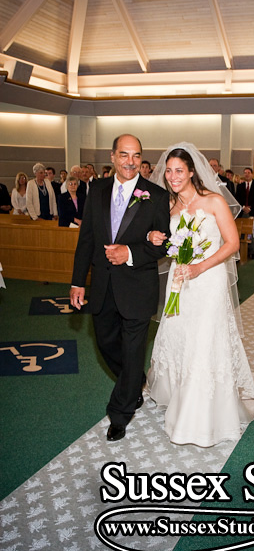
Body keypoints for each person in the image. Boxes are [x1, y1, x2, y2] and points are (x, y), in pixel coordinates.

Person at [147, 143, 254, 447]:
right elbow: (161, 242)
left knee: (203, 341)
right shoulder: (168, 208)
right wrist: (154, 237)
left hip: (208, 279)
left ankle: (197, 416)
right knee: (180, 336)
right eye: (168, 171)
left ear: (192, 172)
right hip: (179, 280)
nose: (172, 176)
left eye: (179, 170)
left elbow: (232, 243)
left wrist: (199, 268)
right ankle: (180, 396)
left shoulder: (213, 202)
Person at [69, 134, 170, 442]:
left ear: (141, 159)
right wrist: (77, 281)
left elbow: (161, 245)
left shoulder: (156, 195)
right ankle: (134, 379)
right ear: (112, 157)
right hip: (102, 286)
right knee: (105, 343)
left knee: (132, 347)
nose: (130, 161)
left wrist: (129, 253)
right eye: (124, 154)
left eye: (136, 155)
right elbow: (86, 237)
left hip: (138, 286)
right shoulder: (96, 189)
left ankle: (120, 411)